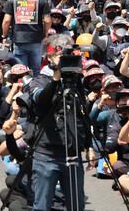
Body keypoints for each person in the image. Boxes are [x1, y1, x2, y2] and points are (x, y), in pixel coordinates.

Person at [28, 34, 90, 211]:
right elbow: (42, 100)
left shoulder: (75, 83)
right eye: (61, 56)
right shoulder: (39, 80)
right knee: (42, 207)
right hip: (46, 155)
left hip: (73, 153)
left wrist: (89, 146)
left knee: (76, 206)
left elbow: (82, 115)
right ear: (49, 58)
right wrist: (55, 79)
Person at [2, 0, 52, 73]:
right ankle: (35, 88)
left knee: (21, 72)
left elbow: (7, 20)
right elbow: (47, 20)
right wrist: (45, 34)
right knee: (36, 70)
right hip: (36, 40)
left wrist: (4, 36)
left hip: (19, 40)